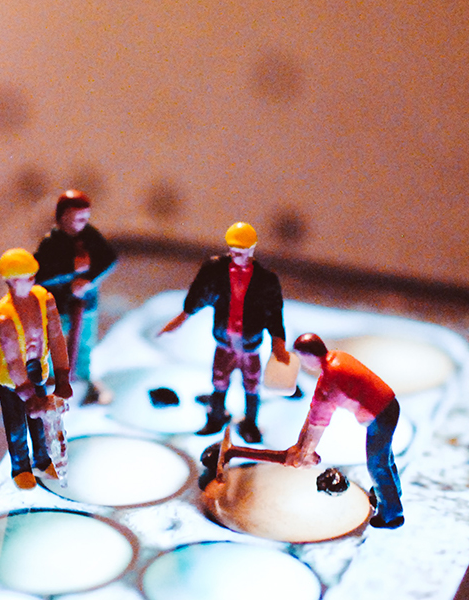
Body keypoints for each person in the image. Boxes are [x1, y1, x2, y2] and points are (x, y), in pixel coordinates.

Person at [159, 222, 291, 442]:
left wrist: (278, 342)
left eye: (241, 251)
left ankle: (250, 422)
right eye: (232, 250)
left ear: (252, 249)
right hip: (224, 340)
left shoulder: (266, 280)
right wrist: (182, 317)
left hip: (250, 344)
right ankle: (216, 416)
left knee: (252, 383)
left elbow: (274, 312)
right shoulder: (217, 271)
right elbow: (200, 293)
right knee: (219, 380)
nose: (235, 255)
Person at [285, 333, 405, 529]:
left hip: (379, 416)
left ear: (308, 357)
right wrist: (302, 445)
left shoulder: (330, 381)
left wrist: (306, 451)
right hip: (391, 405)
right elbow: (315, 410)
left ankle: (392, 513)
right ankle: (391, 493)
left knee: (377, 464)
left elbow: (317, 422)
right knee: (385, 458)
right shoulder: (337, 357)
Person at [0, 248, 73, 489]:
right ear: (12, 281)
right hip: (11, 379)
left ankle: (42, 459)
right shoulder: (5, 316)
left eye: (33, 275)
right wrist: (27, 395)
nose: (33, 281)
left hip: (38, 367)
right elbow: (14, 360)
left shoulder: (44, 299)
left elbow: (57, 337)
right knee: (17, 425)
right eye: (26, 277)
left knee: (41, 421)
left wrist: (62, 375)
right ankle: (20, 468)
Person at [34, 190, 117, 403]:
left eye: (86, 217)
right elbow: (40, 275)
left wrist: (89, 279)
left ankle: (84, 378)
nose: (84, 222)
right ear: (63, 217)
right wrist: (71, 268)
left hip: (86, 303)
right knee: (55, 343)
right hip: (58, 307)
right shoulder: (50, 243)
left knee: (86, 342)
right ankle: (52, 379)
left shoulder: (91, 236)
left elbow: (109, 259)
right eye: (79, 218)